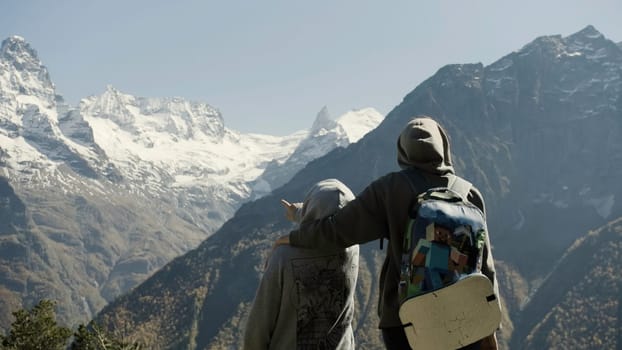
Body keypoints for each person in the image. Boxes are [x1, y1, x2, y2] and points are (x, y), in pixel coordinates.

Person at [277, 116, 500, 349]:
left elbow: (338, 230)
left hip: (407, 319)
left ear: (403, 151)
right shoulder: (469, 194)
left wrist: (295, 235)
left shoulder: (390, 189)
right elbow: (485, 266)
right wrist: (490, 325)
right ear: (444, 147)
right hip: (466, 318)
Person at [243, 178, 359, 350]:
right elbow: (330, 227)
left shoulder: (283, 257)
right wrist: (299, 213)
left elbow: (260, 323)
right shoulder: (353, 249)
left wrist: (303, 214)